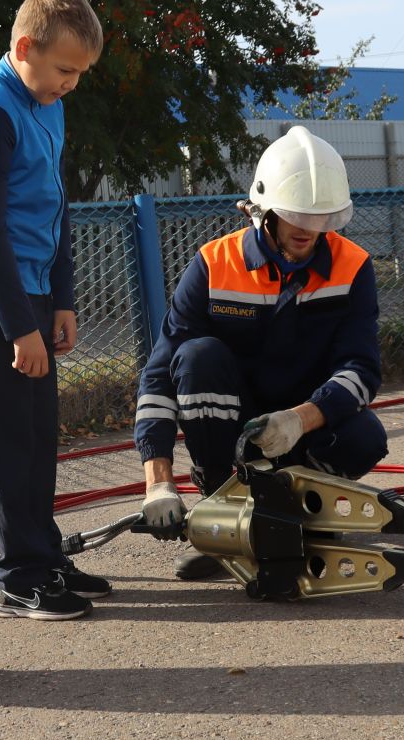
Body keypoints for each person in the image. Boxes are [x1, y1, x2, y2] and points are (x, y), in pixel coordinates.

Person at [134, 127, 387, 581]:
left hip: (307, 420)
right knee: (196, 357)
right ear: (260, 211)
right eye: (296, 216)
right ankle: (223, 514)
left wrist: (300, 419)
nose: (310, 230)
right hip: (233, 426)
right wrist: (158, 480)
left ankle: (305, 516)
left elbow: (362, 370)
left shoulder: (353, 267)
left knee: (366, 436)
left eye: (323, 218)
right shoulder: (215, 264)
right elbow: (160, 374)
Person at [0, 0, 109, 621]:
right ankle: (17, 577)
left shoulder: (48, 102)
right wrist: (19, 328)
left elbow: (56, 205)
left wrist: (61, 299)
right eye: (65, 69)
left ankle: (46, 556)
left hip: (36, 290)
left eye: (80, 74)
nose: (71, 84)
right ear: (24, 48)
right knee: (8, 439)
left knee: (41, 436)